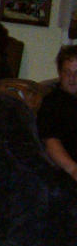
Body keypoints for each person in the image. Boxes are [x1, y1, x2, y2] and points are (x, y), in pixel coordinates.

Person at [36, 45, 77, 182]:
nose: (72, 78)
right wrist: (73, 169)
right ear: (60, 73)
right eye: (67, 72)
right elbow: (51, 141)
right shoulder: (52, 102)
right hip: (66, 171)